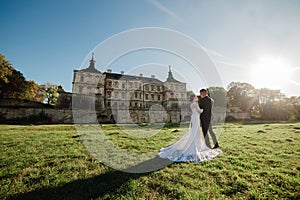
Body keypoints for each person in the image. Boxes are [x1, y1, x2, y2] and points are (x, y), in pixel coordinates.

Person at [158, 94, 222, 162]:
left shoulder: (192, 104)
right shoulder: (195, 104)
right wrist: (204, 109)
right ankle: (194, 146)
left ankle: (195, 144)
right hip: (196, 118)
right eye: (196, 97)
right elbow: (200, 111)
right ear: (194, 98)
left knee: (194, 131)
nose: (197, 97)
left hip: (194, 118)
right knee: (195, 131)